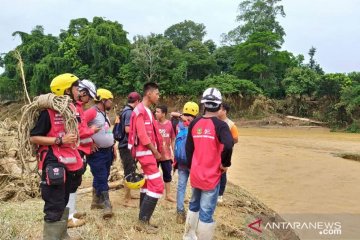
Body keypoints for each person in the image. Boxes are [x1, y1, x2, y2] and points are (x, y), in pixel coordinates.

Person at [30, 73, 83, 240]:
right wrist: (60, 140)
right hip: (54, 162)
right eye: (76, 88)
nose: (78, 91)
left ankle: (61, 235)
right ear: (66, 90)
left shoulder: (71, 111)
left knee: (63, 201)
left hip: (69, 162)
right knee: (54, 205)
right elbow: (34, 137)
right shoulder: (47, 113)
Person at [183, 88, 233, 240]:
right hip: (211, 176)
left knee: (194, 204)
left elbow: (188, 148)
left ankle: (189, 236)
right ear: (219, 105)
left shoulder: (195, 123)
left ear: (203, 104)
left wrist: (193, 166)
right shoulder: (221, 125)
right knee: (206, 212)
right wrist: (225, 164)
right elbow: (229, 145)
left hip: (196, 174)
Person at [128, 82, 163, 234]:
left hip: (147, 153)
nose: (158, 96)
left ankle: (144, 219)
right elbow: (142, 135)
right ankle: (142, 222)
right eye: (157, 93)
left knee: (147, 184)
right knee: (157, 186)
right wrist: (155, 151)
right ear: (149, 93)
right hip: (146, 154)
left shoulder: (147, 110)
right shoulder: (140, 110)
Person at [66, 79, 100, 228]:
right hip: (74, 150)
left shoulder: (79, 108)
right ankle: (68, 217)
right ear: (82, 93)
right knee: (71, 182)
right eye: (89, 97)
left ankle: (72, 212)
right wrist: (91, 131)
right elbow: (77, 131)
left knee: (75, 182)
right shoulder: (73, 108)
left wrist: (90, 139)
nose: (89, 101)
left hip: (80, 150)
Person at [85, 88, 115, 219]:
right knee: (102, 176)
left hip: (107, 150)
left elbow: (107, 131)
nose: (112, 103)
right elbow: (78, 126)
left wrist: (112, 145)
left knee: (103, 175)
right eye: (110, 100)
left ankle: (95, 201)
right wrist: (89, 142)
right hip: (97, 153)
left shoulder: (104, 113)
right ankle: (106, 204)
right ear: (103, 100)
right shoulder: (92, 112)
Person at [170, 102, 199, 224]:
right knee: (195, 188)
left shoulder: (178, 124)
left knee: (181, 187)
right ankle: (193, 214)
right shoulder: (196, 125)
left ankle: (180, 213)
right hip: (193, 162)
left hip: (181, 162)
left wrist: (181, 116)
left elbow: (172, 114)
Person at [117, 91, 142, 207]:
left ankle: (129, 193)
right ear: (137, 102)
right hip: (125, 145)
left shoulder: (126, 110)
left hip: (126, 145)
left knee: (131, 168)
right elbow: (127, 129)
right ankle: (126, 196)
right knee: (128, 169)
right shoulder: (129, 112)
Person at [217, 103, 239, 204]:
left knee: (223, 172)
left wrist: (226, 143)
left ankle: (220, 195)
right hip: (214, 151)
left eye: (220, 109)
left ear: (225, 111)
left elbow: (235, 139)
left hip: (225, 152)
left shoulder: (231, 125)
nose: (217, 110)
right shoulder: (214, 121)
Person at [155, 105, 176, 202]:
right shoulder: (154, 124)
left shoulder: (170, 124)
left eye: (158, 112)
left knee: (167, 175)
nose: (156, 113)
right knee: (153, 174)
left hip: (166, 155)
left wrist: (173, 152)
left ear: (163, 114)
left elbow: (172, 139)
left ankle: (168, 195)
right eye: (156, 111)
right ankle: (153, 193)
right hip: (155, 155)